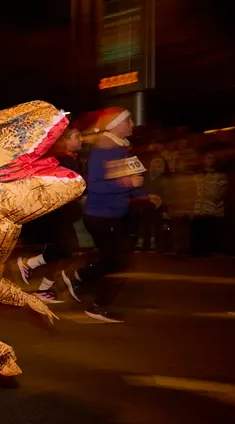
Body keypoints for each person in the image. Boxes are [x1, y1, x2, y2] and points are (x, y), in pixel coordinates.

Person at [62, 107, 161, 323]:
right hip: (99, 216)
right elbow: (95, 186)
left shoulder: (121, 150)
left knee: (115, 260)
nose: (132, 124)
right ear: (115, 125)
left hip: (114, 215)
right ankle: (97, 306)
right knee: (118, 261)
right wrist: (127, 182)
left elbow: (129, 182)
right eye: (128, 121)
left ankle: (78, 277)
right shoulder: (102, 151)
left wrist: (146, 194)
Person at [16, 125, 85, 303]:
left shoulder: (57, 159)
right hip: (57, 214)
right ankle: (30, 265)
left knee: (64, 251)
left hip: (55, 213)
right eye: (77, 137)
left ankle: (43, 288)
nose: (81, 140)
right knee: (65, 250)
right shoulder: (65, 161)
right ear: (65, 140)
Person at [191, 151, 228, 256]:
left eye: (211, 158)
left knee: (211, 232)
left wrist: (212, 197)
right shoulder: (197, 175)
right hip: (198, 209)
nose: (209, 160)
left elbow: (221, 192)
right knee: (199, 233)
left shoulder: (220, 175)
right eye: (207, 158)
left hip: (213, 209)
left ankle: (212, 252)